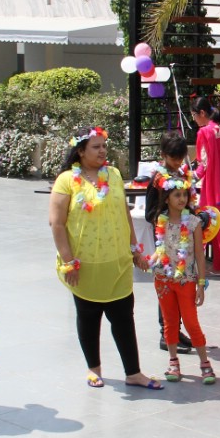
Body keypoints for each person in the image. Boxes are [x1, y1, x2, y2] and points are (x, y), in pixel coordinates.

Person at [48, 127, 159, 390]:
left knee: (123, 317)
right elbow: (57, 223)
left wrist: (134, 249)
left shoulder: (114, 175)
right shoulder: (66, 180)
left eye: (103, 146)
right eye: (96, 147)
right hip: (84, 264)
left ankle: (133, 372)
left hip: (116, 261)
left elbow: (123, 213)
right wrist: (68, 261)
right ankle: (93, 369)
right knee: (88, 316)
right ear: (80, 151)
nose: (102, 151)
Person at [149, 175, 216, 384]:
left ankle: (205, 362)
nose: (181, 199)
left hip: (186, 279)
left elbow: (199, 255)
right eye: (176, 195)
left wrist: (201, 284)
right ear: (167, 198)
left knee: (190, 321)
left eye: (185, 194)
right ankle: (173, 361)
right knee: (170, 322)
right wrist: (145, 261)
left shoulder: (194, 223)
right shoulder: (160, 220)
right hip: (163, 279)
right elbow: (159, 251)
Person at [145, 133, 197, 353]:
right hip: (165, 239)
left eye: (180, 157)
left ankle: (176, 330)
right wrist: (167, 217)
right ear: (163, 155)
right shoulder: (158, 179)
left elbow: (188, 202)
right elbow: (149, 213)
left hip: (183, 240)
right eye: (173, 158)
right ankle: (166, 333)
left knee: (181, 283)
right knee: (166, 283)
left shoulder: (184, 174)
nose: (177, 162)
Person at [191, 96, 220, 275]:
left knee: (212, 218)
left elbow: (204, 162)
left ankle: (219, 265)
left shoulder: (204, 132)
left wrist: (192, 176)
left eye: (194, 115)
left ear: (202, 113)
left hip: (213, 181)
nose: (194, 120)